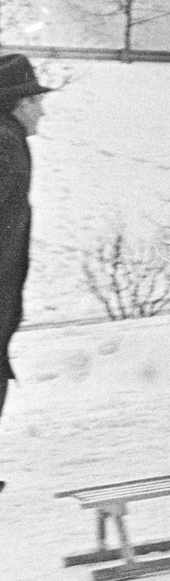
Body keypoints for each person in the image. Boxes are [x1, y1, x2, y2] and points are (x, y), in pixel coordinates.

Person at [0, 53, 48, 493]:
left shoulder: (10, 143)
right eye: (35, 101)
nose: (42, 111)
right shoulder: (6, 147)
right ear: (17, 104)